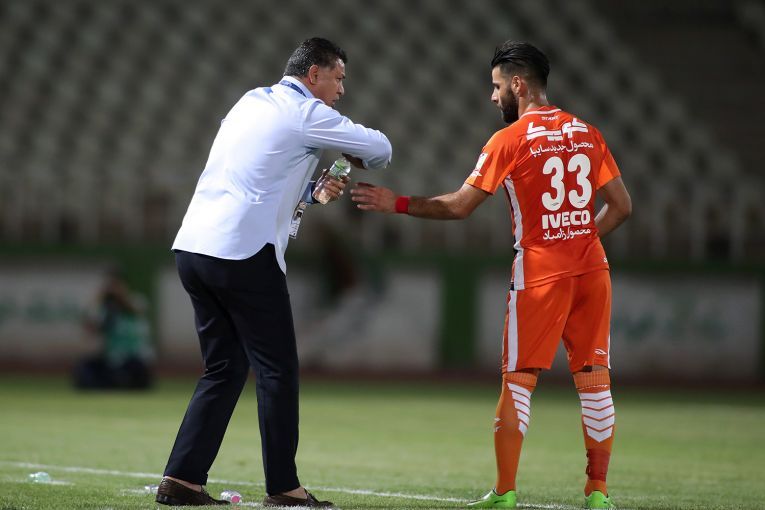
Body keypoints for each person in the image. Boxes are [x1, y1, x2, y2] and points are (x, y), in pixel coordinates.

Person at [351, 41, 631, 509]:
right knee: (595, 381)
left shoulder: (509, 140)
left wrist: (396, 202)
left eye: (496, 86)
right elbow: (622, 206)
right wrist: (579, 239)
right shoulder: (588, 133)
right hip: (592, 270)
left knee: (519, 380)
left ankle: (504, 492)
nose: (493, 95)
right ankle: (598, 493)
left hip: (540, 274)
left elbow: (460, 206)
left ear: (518, 85)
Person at [155, 37, 392, 507]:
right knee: (277, 370)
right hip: (242, 253)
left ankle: (181, 480)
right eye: (339, 78)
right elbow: (381, 148)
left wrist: (309, 195)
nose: (342, 90)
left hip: (194, 248)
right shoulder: (306, 112)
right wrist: (360, 156)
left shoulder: (249, 102)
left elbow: (256, 175)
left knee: (224, 368)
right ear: (314, 75)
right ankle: (284, 488)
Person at [73, 267, 153, 390]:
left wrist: (120, 297)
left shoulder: (137, 300)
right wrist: (98, 299)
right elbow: (89, 328)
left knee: (134, 372)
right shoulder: (105, 308)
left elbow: (135, 310)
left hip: (134, 358)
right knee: (84, 368)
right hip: (111, 359)